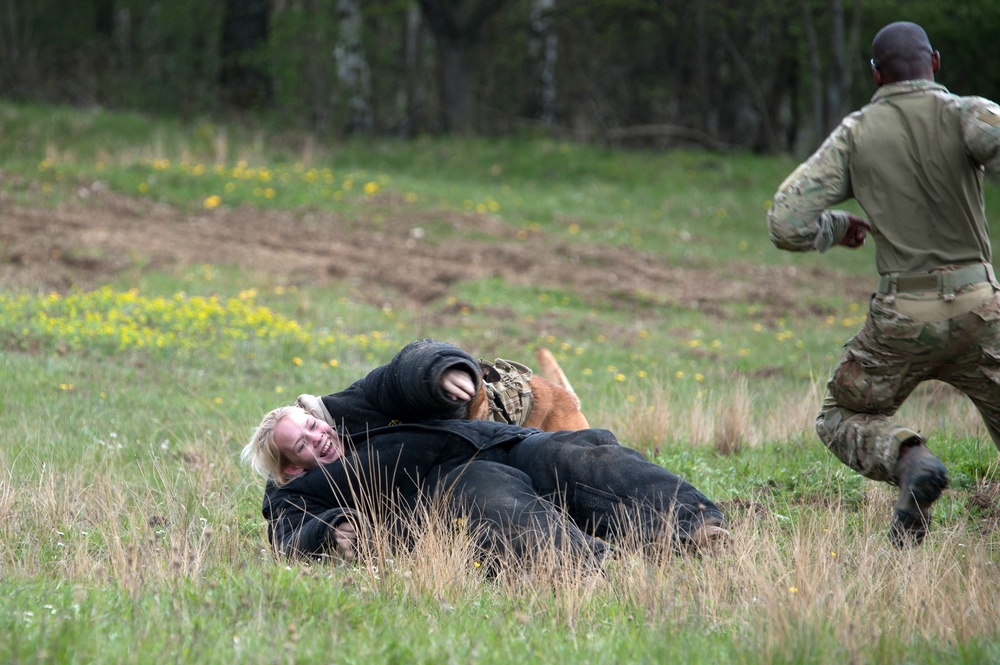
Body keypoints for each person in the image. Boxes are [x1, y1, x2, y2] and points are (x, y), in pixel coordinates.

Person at [767, 21, 1000, 547]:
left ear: (875, 74)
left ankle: (910, 459)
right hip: (982, 309)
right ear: (935, 62)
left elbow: (786, 221)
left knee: (840, 417)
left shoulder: (855, 133)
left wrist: (835, 227)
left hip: (903, 318)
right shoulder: (968, 113)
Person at [242, 339, 728, 566]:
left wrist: (439, 371)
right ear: (291, 465)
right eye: (302, 444)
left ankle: (696, 525)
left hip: (499, 441)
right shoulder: (296, 493)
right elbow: (289, 533)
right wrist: (326, 533)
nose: (316, 437)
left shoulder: (352, 407)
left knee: (581, 455)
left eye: (310, 426)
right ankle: (597, 569)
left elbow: (400, 371)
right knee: (498, 508)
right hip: (448, 485)